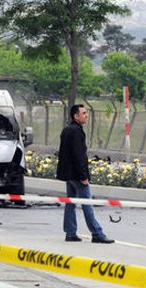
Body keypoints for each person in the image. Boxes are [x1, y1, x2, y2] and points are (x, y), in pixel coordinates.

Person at [56, 104, 114, 244]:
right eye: (83, 113)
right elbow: (78, 156)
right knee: (87, 203)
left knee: (71, 203)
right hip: (77, 175)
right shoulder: (77, 131)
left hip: (68, 175)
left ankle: (70, 233)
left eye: (86, 113)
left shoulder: (67, 130)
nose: (86, 115)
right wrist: (83, 176)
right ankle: (97, 233)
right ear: (76, 116)